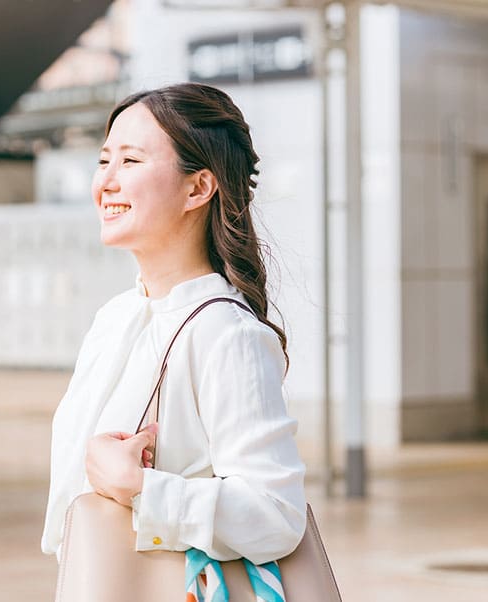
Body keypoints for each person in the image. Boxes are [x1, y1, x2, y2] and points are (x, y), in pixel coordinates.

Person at [41, 82, 306, 567]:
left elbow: (277, 515)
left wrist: (141, 488)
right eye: (104, 160)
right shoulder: (115, 318)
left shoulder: (227, 333)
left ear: (198, 188)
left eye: (130, 161)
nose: (106, 181)